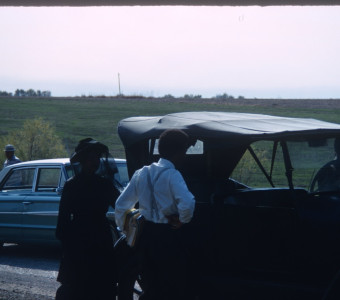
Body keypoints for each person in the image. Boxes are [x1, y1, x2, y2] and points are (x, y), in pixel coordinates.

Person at [115, 129, 196, 300]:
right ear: (178, 152)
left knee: (150, 282)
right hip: (168, 236)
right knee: (171, 284)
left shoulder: (141, 173)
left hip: (145, 236)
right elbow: (188, 203)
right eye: (184, 151)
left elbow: (121, 205)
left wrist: (126, 231)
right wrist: (182, 220)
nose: (184, 156)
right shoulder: (173, 175)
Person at [55, 138, 120, 300]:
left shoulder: (104, 185)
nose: (96, 162)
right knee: (79, 285)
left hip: (99, 239)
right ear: (83, 161)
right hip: (80, 241)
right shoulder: (72, 185)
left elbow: (121, 205)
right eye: (91, 158)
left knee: (100, 284)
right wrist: (68, 246)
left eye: (97, 158)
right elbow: (63, 218)